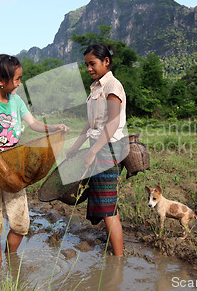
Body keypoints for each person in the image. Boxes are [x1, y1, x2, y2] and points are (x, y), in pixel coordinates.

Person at [0, 54, 69, 264]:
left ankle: (10, 261)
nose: (19, 83)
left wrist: (54, 128)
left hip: (13, 168)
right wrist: (3, 170)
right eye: (16, 79)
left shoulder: (16, 101)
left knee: (21, 225)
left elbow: (33, 124)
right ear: (0, 80)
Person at [66, 43, 126, 256]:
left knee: (107, 206)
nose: (89, 68)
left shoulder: (113, 86)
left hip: (108, 149)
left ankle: (118, 260)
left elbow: (112, 123)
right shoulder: (95, 89)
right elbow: (91, 123)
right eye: (86, 65)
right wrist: (75, 146)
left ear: (106, 62)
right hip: (98, 145)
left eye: (92, 64)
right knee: (108, 203)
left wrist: (92, 152)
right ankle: (117, 255)